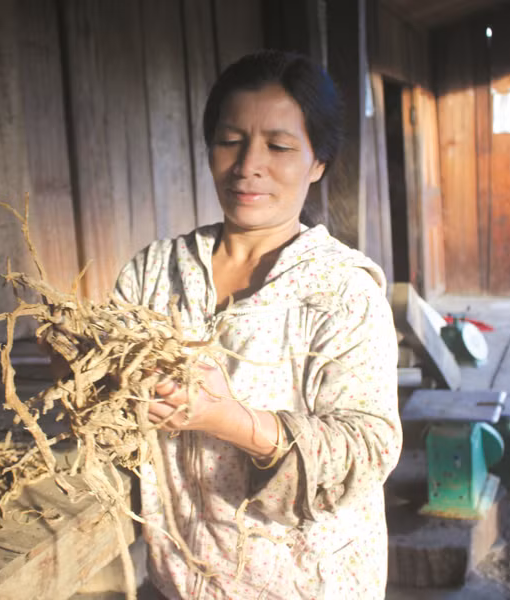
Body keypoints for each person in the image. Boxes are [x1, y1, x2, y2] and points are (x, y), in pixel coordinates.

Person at [113, 50, 402, 599]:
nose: (248, 165)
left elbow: (368, 449)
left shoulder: (341, 292)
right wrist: (84, 368)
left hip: (305, 585)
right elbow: (113, 405)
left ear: (318, 162)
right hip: (181, 580)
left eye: (279, 146)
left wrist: (230, 420)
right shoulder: (154, 272)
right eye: (230, 140)